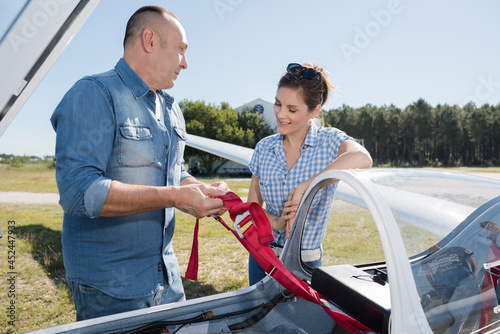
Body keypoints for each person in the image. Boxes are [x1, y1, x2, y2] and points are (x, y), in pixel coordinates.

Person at [50, 6, 227, 320]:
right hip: (110, 288)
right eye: (181, 50)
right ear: (150, 40)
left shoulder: (171, 109)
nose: (185, 63)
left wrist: (200, 190)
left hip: (167, 279)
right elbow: (78, 191)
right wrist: (175, 197)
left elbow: (174, 172)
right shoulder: (94, 93)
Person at [247, 62, 373, 284]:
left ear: (315, 111)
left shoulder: (330, 141)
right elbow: (252, 209)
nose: (281, 114)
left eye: (292, 109)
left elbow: (362, 157)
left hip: (304, 267)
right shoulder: (263, 147)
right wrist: (276, 222)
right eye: (278, 104)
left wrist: (308, 186)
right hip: (262, 258)